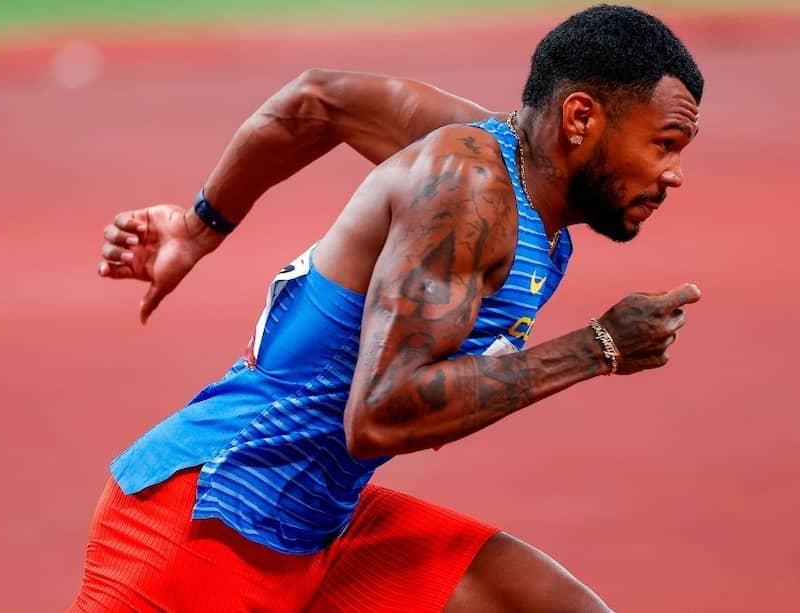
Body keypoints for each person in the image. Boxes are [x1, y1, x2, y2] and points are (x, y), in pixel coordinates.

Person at [73, 5, 704, 611]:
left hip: (318, 525)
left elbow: (318, 99)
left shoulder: (515, 167)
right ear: (580, 117)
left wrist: (199, 227)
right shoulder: (469, 186)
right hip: (210, 521)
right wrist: (598, 348)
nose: (673, 174)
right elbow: (379, 413)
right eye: (664, 144)